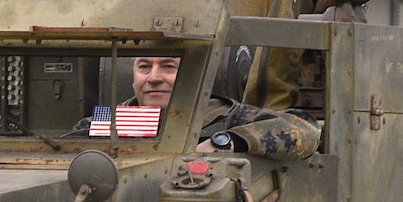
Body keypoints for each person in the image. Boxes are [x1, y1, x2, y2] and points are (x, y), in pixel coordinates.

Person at [123, 54, 320, 161]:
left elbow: (307, 131)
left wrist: (224, 142)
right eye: (144, 67)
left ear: (195, 76)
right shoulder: (112, 122)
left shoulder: (225, 117)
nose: (154, 78)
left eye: (168, 67)